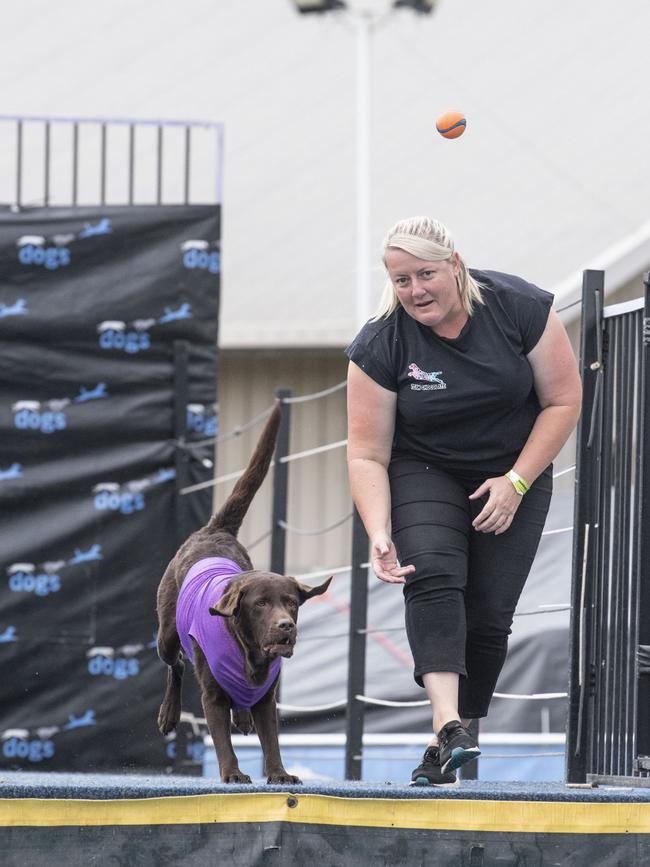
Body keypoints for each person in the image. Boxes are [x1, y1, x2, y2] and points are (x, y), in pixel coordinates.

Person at [345, 216, 582, 786]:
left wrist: (517, 481)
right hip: (424, 468)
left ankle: (454, 741)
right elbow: (367, 454)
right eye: (401, 281)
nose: (415, 291)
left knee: (489, 615)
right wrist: (378, 530)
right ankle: (448, 722)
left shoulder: (519, 307)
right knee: (432, 574)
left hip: (513, 468)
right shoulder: (381, 342)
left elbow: (563, 400)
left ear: (455, 264)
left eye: (425, 274)